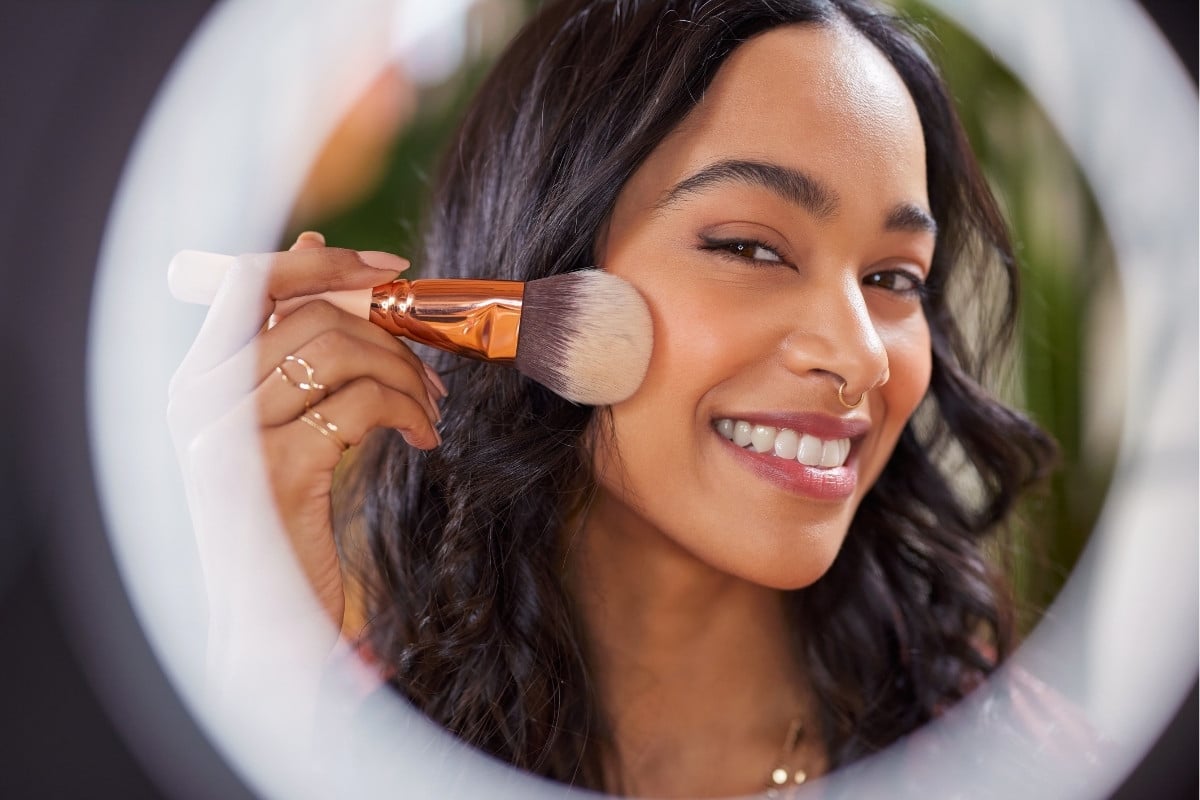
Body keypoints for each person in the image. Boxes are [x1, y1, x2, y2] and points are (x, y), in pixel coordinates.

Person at [170, 0, 1057, 796]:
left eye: (894, 276)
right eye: (751, 248)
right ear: (543, 267)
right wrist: (263, 670)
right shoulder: (333, 748)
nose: (860, 356)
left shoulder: (1016, 758)